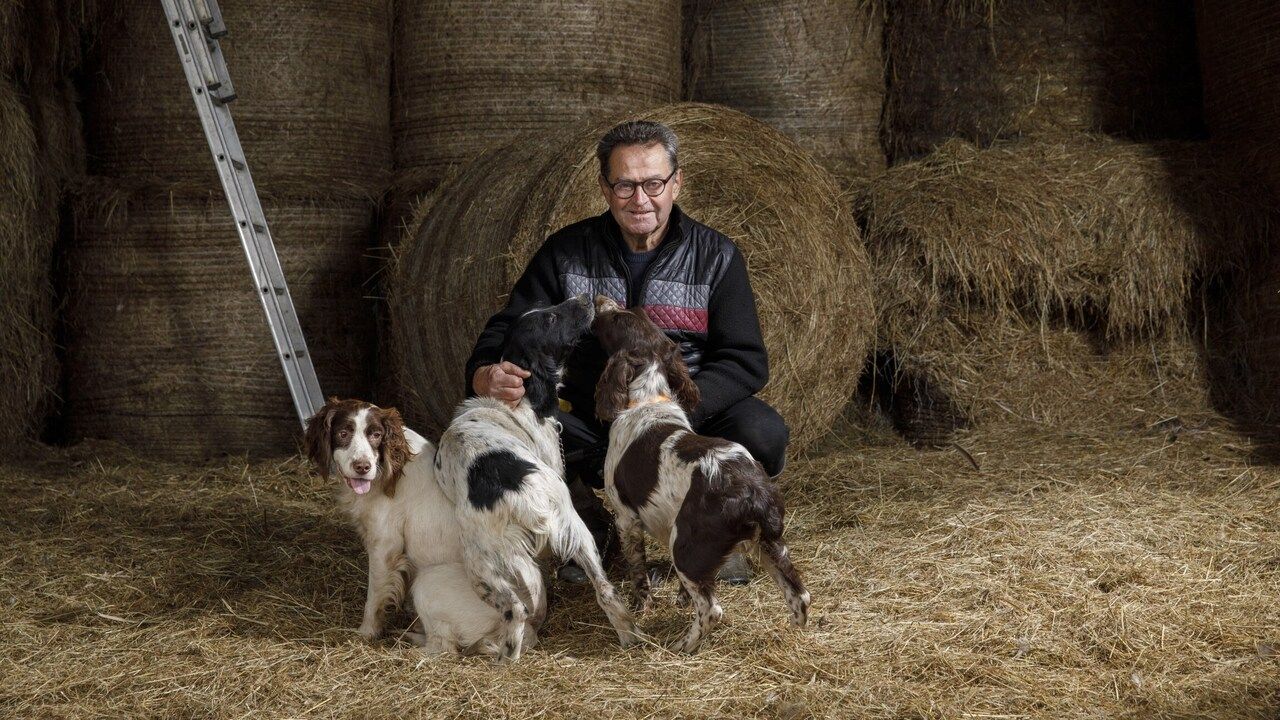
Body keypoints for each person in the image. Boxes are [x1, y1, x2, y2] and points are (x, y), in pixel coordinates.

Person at [464, 120, 789, 584]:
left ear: (676, 183)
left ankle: (717, 526)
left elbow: (745, 361)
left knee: (763, 430)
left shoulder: (716, 256)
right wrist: (483, 373)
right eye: (625, 185)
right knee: (529, 423)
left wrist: (672, 410)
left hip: (684, 416)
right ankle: (588, 528)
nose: (641, 199)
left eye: (654, 183)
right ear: (604, 187)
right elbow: (512, 325)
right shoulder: (566, 253)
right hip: (594, 418)